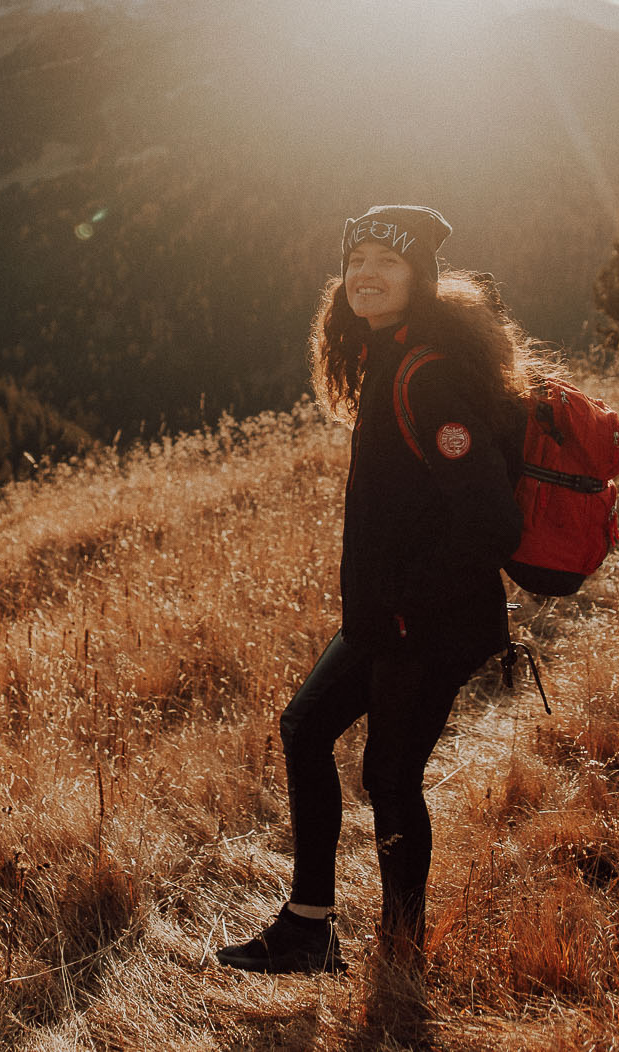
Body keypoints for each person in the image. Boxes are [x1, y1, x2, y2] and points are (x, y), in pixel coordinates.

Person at [215, 203, 542, 974]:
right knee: (305, 730)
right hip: (385, 618)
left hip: (423, 623)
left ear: (418, 280)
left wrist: (403, 599)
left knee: (389, 777)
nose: (366, 272)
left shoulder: (425, 377)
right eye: (356, 257)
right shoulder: (388, 359)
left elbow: (491, 521)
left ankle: (399, 953)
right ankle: (309, 925)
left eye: (386, 262)